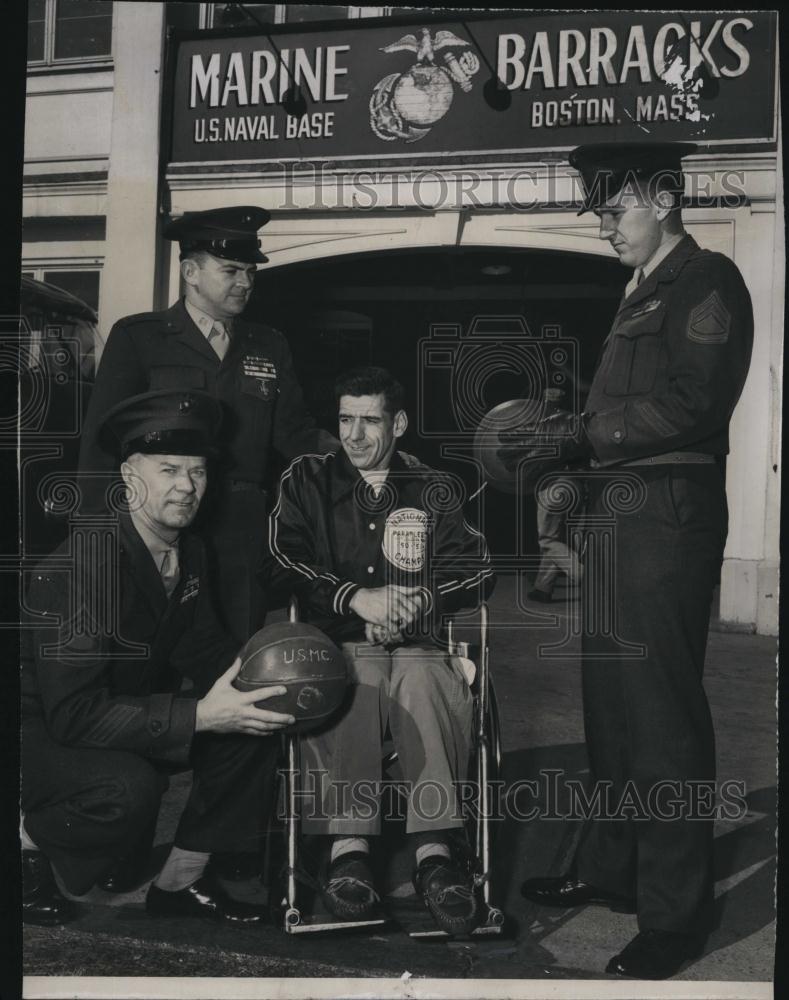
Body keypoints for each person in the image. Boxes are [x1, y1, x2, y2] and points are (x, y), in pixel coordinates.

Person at [497, 142, 753, 979]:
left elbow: (692, 401)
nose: (603, 225)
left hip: (664, 521)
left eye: (614, 210)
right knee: (609, 707)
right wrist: (573, 472)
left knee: (659, 715)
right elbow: (628, 412)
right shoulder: (639, 288)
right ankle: (612, 869)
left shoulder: (705, 281)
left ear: (663, 199)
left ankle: (675, 912)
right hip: (616, 515)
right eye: (600, 211)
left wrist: (581, 435)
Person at [22, 389, 295, 926]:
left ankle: (181, 881)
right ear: (128, 475)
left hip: (116, 712)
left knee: (255, 724)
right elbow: (73, 713)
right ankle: (24, 842)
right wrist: (199, 715)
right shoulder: (85, 566)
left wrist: (273, 673)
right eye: (168, 469)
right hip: (40, 729)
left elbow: (205, 648)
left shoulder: (187, 548)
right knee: (127, 792)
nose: (186, 487)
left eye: (197, 472)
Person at [266, 366, 495, 935]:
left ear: (399, 423)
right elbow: (277, 558)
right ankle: (350, 850)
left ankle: (434, 854)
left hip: (419, 643)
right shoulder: (307, 479)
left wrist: (422, 600)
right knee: (361, 668)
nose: (356, 436)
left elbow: (479, 569)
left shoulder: (432, 487)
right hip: (339, 642)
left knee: (419, 671)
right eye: (346, 419)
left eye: (370, 421)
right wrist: (354, 598)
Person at [78, 206, 335, 645]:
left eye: (251, 272)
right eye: (232, 270)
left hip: (242, 534)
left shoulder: (269, 344)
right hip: (160, 526)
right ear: (190, 271)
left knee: (237, 655)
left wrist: (356, 455)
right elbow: (102, 444)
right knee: (152, 652)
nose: (246, 282)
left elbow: (296, 434)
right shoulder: (140, 338)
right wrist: (98, 536)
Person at [529, 389, 584, 603]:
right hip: (577, 485)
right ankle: (542, 588)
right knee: (555, 538)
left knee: (548, 540)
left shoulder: (541, 425)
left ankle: (584, 577)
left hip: (554, 486)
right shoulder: (574, 422)